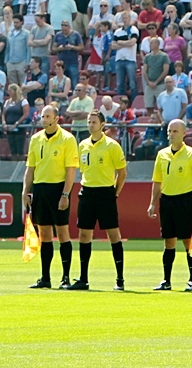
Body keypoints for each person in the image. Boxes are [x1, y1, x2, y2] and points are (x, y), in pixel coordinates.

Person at [23, 105, 79, 289]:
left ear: (57, 119)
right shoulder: (35, 139)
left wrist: (65, 194)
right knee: (44, 233)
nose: (44, 119)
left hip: (57, 189)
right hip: (40, 188)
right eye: (42, 116)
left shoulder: (67, 139)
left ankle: (65, 278)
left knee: (62, 232)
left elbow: (70, 171)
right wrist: (25, 191)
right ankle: (45, 277)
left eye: (48, 116)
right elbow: (30, 168)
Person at [147, 119, 192, 292]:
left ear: (184, 133)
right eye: (169, 131)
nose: (171, 134)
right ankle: (166, 280)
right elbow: (157, 181)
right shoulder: (162, 154)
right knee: (168, 241)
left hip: (184, 200)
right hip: (166, 201)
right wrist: (152, 203)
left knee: (188, 241)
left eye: (175, 131)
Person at [73, 110, 128, 290]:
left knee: (113, 235)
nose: (90, 125)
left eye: (94, 122)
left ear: (102, 125)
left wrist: (115, 193)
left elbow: (122, 172)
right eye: (89, 122)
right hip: (87, 192)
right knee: (84, 235)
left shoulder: (112, 146)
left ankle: (120, 279)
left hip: (105, 193)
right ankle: (83, 278)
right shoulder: (82, 145)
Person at [113, 11, 139, 102]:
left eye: (126, 17)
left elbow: (132, 42)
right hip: (119, 59)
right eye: (123, 18)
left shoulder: (133, 29)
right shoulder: (117, 31)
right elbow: (113, 45)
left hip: (130, 59)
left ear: (129, 18)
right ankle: (121, 103)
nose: (124, 19)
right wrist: (125, 43)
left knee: (132, 83)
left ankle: (134, 102)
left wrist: (120, 42)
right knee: (120, 83)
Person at [52, 20, 85, 90]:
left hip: (73, 62)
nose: (64, 32)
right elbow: (53, 49)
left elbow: (81, 48)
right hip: (61, 63)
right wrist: (59, 48)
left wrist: (72, 47)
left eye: (66, 30)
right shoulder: (58, 35)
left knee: (74, 83)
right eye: (63, 30)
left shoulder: (76, 35)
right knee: (61, 83)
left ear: (69, 27)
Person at [2, 83, 30, 161]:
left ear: (15, 91)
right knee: (12, 149)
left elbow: (25, 114)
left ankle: (21, 166)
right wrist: (4, 123)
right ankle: (14, 165)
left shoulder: (23, 101)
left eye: (10, 90)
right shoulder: (7, 102)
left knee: (20, 149)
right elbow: (4, 114)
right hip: (9, 128)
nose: (9, 92)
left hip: (19, 129)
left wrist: (16, 124)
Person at [5, 15, 31, 86]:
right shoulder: (10, 34)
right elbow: (7, 48)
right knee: (13, 86)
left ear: (22, 22)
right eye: (14, 22)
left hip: (22, 62)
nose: (15, 24)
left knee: (23, 85)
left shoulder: (26, 34)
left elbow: (28, 49)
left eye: (17, 22)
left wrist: (28, 63)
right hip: (11, 62)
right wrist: (6, 61)